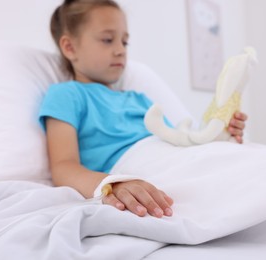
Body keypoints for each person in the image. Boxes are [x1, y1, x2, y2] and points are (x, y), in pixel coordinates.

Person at [39, 0, 248, 219]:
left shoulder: (138, 98)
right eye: (107, 40)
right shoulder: (67, 94)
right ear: (70, 47)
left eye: (125, 42)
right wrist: (111, 184)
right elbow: (63, 167)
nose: (120, 50)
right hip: (134, 165)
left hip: (171, 158)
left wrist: (219, 135)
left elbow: (178, 142)